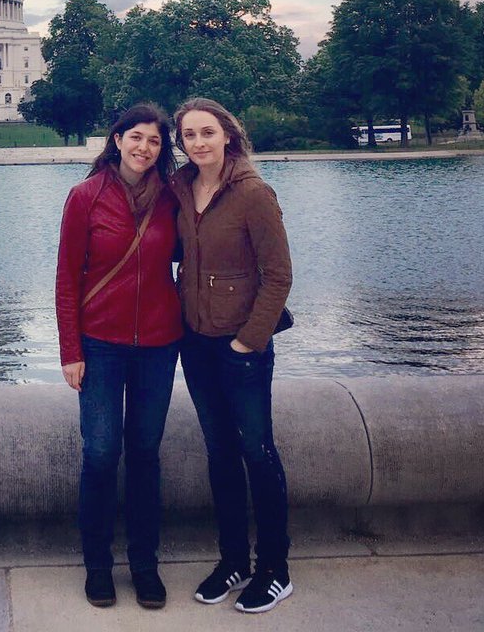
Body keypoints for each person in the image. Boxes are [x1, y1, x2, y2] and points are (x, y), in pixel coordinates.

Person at [55, 102, 183, 610]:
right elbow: (67, 278)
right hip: (100, 344)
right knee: (101, 453)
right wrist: (70, 350)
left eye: (154, 141)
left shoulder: (173, 197)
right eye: (136, 137)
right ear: (117, 139)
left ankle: (145, 564)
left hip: (159, 343)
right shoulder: (85, 196)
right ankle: (97, 565)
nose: (144, 148)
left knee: (146, 454)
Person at [171, 98, 293, 615]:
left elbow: (279, 277)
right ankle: (234, 560)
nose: (199, 142)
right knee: (219, 453)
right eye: (189, 135)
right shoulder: (179, 188)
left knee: (257, 453)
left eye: (207, 132)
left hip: (242, 346)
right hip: (196, 343)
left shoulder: (253, 194)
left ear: (228, 135)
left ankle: (275, 568)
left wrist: (249, 341)